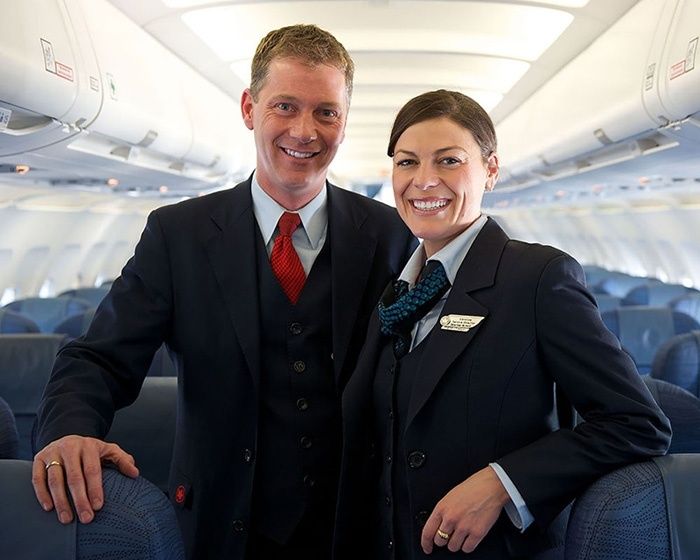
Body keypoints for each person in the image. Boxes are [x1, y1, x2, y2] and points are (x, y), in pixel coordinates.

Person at [32, 24, 416, 560]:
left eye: (325, 112)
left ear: (345, 122)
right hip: (220, 523)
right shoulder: (178, 235)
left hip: (356, 528)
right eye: (285, 106)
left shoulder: (391, 235)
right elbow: (98, 358)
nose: (304, 131)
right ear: (248, 108)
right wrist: (69, 431)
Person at [334, 90, 672, 559]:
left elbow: (636, 423)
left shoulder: (537, 279)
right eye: (407, 163)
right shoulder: (396, 289)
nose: (424, 181)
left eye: (448, 161)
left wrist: (503, 483)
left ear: (490, 170)